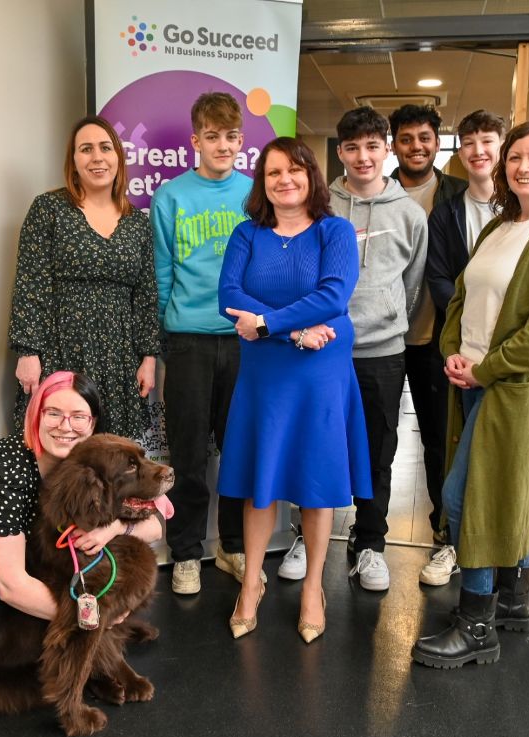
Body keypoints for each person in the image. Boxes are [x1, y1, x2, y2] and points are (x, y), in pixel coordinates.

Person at [411, 120, 529, 669]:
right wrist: (452, 350)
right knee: (504, 492)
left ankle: (477, 626)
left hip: (516, 386)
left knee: (467, 498)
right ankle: (512, 601)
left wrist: (487, 370)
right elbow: (462, 296)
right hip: (474, 377)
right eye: (515, 157)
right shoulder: (500, 226)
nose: (522, 168)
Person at [0, 371, 166, 703]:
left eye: (78, 416)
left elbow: (156, 526)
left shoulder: (96, 457)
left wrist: (115, 528)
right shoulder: (4, 465)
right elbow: (12, 584)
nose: (65, 425)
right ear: (36, 415)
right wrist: (97, 617)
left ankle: (98, 665)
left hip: (35, 558)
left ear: (93, 423)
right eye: (53, 413)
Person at [218, 137, 372, 643]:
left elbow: (333, 293)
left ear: (312, 176)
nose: (285, 180)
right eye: (273, 173)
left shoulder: (336, 231)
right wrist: (287, 331)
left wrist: (265, 323)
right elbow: (230, 297)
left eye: (295, 170)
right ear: (262, 183)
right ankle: (250, 585)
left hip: (320, 370)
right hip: (268, 369)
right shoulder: (247, 234)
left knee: (314, 478)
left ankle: (313, 588)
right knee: (261, 480)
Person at [309, 106, 428, 592]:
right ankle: (307, 534)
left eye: (372, 146)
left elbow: (414, 285)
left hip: (383, 352)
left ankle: (370, 543)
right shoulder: (321, 208)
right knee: (317, 447)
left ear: (386, 149)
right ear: (340, 152)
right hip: (322, 350)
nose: (363, 156)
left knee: (380, 449)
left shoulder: (410, 214)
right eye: (352, 147)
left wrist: (387, 318)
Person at [151, 92, 257, 596]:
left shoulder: (255, 194)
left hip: (244, 340)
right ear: (195, 141)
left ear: (242, 141)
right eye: (211, 136)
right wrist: (171, 328)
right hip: (189, 339)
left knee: (238, 450)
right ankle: (187, 551)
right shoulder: (172, 197)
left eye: (231, 136)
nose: (222, 145)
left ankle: (232, 546)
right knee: (189, 454)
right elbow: (163, 269)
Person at [8, 116, 159, 440]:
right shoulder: (49, 209)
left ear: (118, 157)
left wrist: (149, 358)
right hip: (60, 347)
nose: (97, 157)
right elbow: (30, 282)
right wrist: (27, 352)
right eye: (86, 149)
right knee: (59, 446)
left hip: (120, 355)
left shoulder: (137, 224)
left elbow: (146, 294)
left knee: (112, 455)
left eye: (105, 148)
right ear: (73, 161)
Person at [417, 109, 506, 588]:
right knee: (450, 451)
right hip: (456, 352)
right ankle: (449, 543)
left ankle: (501, 579)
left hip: (508, 360)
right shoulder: (448, 211)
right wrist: (462, 334)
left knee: (495, 468)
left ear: (502, 145)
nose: (478, 151)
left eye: (487, 141)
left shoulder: (526, 215)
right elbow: (439, 277)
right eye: (468, 143)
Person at [388, 104, 468, 550]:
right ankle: (368, 535)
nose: (416, 147)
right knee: (377, 439)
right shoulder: (377, 191)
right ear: (393, 145)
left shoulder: (457, 194)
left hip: (434, 339)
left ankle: (445, 531)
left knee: (438, 440)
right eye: (406, 139)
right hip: (379, 342)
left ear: (438, 142)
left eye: (424, 138)